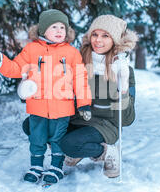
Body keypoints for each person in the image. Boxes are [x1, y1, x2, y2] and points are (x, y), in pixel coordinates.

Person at [23, 14, 137, 178]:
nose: (98, 40)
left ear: (116, 40)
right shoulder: (79, 61)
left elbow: (127, 120)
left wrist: (123, 86)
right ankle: (74, 151)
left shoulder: (124, 70)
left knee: (68, 143)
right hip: (77, 118)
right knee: (32, 125)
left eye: (106, 36)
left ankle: (107, 152)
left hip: (104, 125)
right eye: (95, 34)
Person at [0, 9, 92, 184]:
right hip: (37, 106)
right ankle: (36, 166)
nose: (59, 31)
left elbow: (80, 79)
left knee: (57, 138)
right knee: (37, 138)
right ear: (43, 30)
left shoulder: (72, 53)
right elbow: (15, 69)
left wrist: (84, 104)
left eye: (62, 27)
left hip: (62, 106)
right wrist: (1, 61)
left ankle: (56, 167)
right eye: (54, 27)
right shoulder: (32, 50)